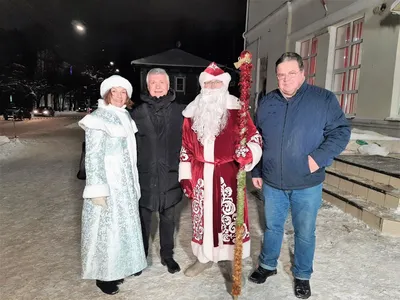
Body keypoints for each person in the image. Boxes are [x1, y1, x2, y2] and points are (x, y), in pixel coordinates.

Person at [250, 52, 350, 299]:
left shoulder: (322, 100)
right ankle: (267, 265)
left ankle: (303, 275)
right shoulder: (267, 102)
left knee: (304, 231)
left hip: (307, 183)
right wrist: (256, 169)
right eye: (281, 75)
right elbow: (257, 138)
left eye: (291, 74)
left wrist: (318, 159)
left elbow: (341, 131)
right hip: (273, 181)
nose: (286, 80)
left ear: (303, 73)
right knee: (273, 227)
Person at [178, 62, 262, 278]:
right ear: (203, 85)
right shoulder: (191, 112)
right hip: (200, 174)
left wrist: (249, 152)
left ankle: (234, 261)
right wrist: (186, 176)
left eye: (217, 82)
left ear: (224, 84)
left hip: (230, 174)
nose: (213, 86)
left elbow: (254, 137)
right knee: (202, 219)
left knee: (231, 217)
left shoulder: (238, 111)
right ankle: (203, 258)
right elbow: (186, 146)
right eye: (209, 82)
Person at [78, 75, 147, 295]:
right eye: (114, 91)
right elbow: (93, 156)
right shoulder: (98, 118)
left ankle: (125, 264)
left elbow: (131, 154)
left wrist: (133, 182)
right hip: (108, 183)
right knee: (106, 230)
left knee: (124, 227)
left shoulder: (125, 116)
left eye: (123, 92)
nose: (118, 96)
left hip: (124, 182)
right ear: (107, 94)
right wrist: (98, 189)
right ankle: (104, 276)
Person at [129, 68, 184, 274]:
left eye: (162, 82)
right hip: (144, 176)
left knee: (168, 218)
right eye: (153, 82)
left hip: (170, 176)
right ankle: (139, 256)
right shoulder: (137, 114)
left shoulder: (181, 112)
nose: (158, 86)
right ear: (147, 86)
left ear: (169, 85)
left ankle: (167, 255)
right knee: (142, 219)